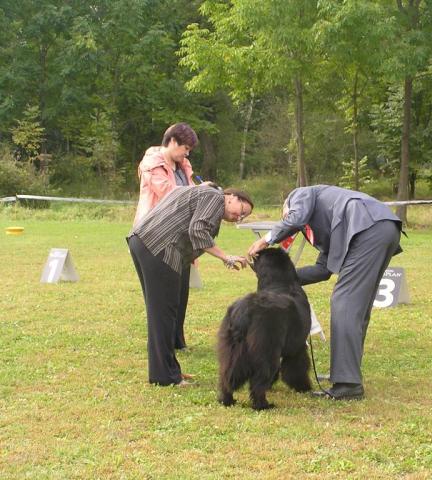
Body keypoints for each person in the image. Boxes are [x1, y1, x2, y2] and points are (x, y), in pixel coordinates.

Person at [247, 185, 403, 400]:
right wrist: (277, 277)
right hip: (380, 229)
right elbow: (323, 270)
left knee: (345, 302)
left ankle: (347, 384)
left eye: (285, 214)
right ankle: (347, 374)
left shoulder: (300, 195)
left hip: (368, 227)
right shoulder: (321, 226)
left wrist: (265, 240)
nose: (288, 217)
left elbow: (295, 219)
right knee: (357, 307)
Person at [128, 183, 253, 386]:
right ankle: (165, 377)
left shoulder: (203, 193)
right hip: (160, 247)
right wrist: (226, 257)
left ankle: (167, 370)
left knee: (161, 312)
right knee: (164, 313)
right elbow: (197, 230)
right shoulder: (215, 197)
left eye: (243, 217)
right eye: (241, 211)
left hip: (142, 240)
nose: (239, 217)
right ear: (231, 196)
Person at [133, 123, 198, 350]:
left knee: (181, 291)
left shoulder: (183, 165)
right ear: (172, 141)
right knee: (162, 296)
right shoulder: (152, 164)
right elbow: (169, 194)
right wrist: (198, 193)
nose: (186, 153)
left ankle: (176, 340)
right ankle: (162, 344)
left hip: (180, 237)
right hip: (154, 236)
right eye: (185, 148)